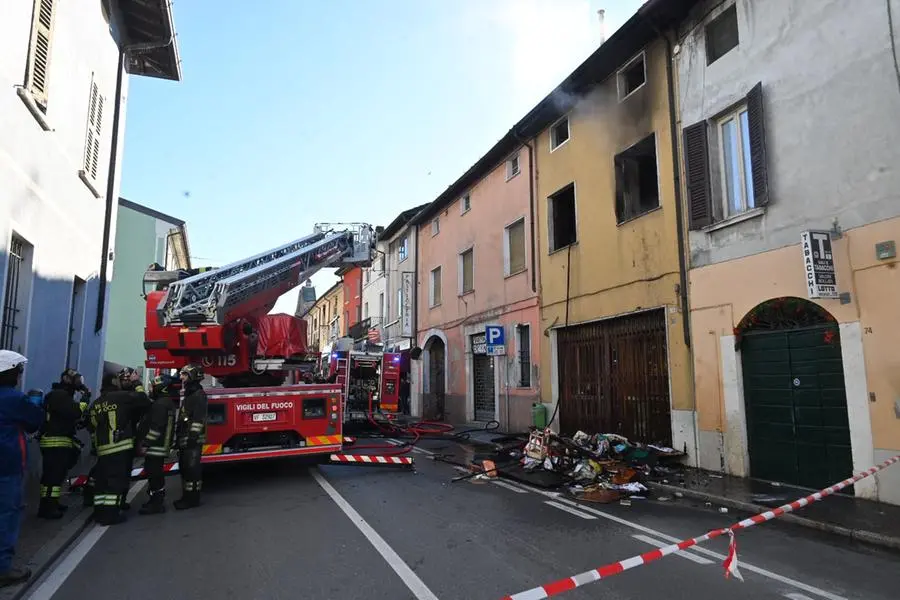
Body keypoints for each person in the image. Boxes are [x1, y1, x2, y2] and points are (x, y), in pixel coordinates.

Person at [0, 351, 44, 587]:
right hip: (6, 466)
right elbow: (34, 421)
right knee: (6, 515)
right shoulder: (13, 399)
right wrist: (35, 401)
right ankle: (2, 569)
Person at [87, 368, 150, 525]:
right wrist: (136, 382)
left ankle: (100, 512)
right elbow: (143, 400)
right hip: (119, 446)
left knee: (102, 482)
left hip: (102, 449)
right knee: (115, 483)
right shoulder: (121, 397)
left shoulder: (96, 403)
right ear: (115, 383)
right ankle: (111, 515)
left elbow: (90, 425)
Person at [37, 369, 89, 519]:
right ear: (66, 379)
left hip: (59, 440)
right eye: (76, 380)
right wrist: (85, 399)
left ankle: (52, 502)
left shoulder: (62, 395)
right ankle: (47, 508)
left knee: (57, 475)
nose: (79, 383)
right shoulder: (60, 395)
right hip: (55, 441)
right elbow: (75, 412)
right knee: (52, 477)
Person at [138, 374, 177, 515]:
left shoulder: (160, 405)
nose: (151, 389)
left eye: (153, 387)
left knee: (154, 475)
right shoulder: (166, 402)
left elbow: (157, 427)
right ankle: (154, 501)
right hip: (160, 446)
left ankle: (156, 504)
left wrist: (146, 442)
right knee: (156, 474)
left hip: (156, 447)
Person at [82, 373, 118, 509]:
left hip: (101, 445)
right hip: (114, 445)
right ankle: (107, 508)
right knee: (110, 476)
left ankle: (91, 498)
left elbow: (90, 425)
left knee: (98, 472)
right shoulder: (118, 400)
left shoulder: (97, 403)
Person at [174, 364, 207, 510]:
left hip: (192, 441)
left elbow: (199, 419)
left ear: (193, 376)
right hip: (185, 439)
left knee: (192, 470)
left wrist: (193, 437)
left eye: (185, 374)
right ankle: (186, 497)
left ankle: (192, 499)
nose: (181, 377)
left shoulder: (198, 394)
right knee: (186, 469)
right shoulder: (190, 393)